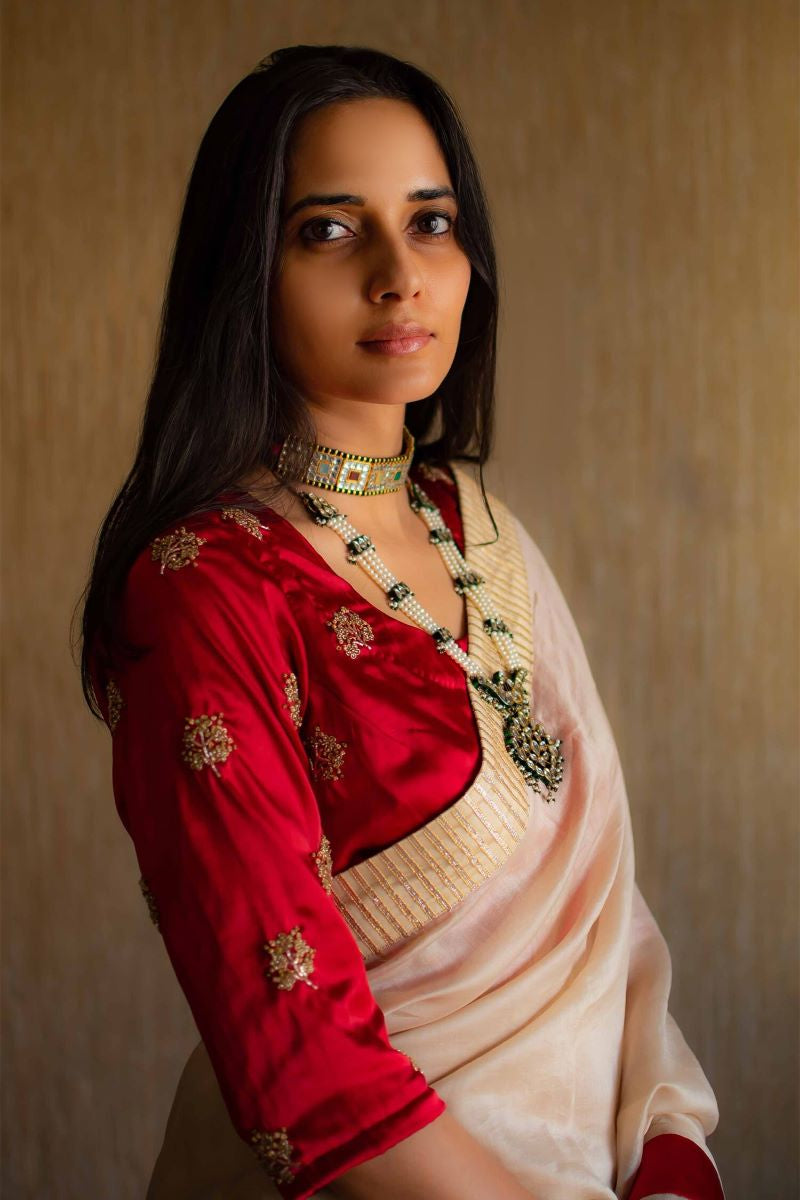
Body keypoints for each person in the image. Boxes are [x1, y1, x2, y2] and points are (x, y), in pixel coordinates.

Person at [78, 45, 725, 1200]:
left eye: (429, 222)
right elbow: (302, 1066)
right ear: (245, 268)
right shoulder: (202, 586)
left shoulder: (480, 530)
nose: (398, 273)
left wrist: (667, 1150)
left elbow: (604, 926)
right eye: (329, 229)